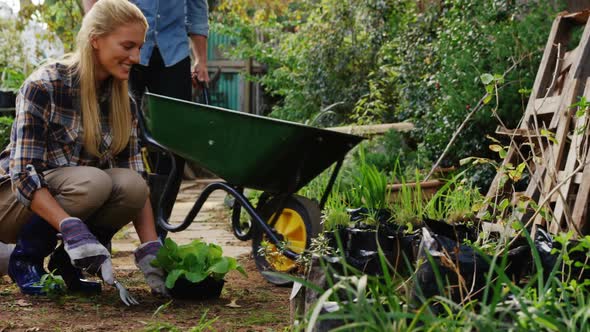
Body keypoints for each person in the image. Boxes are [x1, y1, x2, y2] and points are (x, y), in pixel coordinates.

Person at [0, 0, 167, 297]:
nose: (137, 57)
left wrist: (151, 248)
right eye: (128, 46)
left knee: (132, 186)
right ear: (95, 40)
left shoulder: (121, 102)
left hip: (66, 194)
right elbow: (24, 176)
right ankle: (26, 259)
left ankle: (69, 262)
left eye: (139, 47)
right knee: (94, 181)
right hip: (11, 201)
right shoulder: (45, 86)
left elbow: (135, 179)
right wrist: (70, 227)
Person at [82, 0, 210, 235]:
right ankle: (101, 227)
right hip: (122, 45)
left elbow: (196, 8)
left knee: (174, 144)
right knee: (112, 133)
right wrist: (96, 30)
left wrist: (201, 59)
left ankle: (158, 227)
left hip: (173, 52)